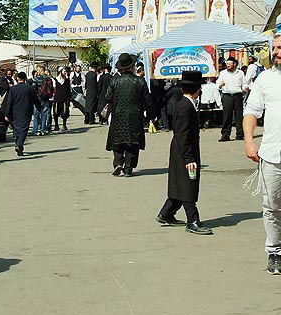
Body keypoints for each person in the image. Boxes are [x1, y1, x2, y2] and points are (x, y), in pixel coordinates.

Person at [156, 71, 212, 235]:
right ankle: (192, 220)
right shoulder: (185, 107)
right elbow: (183, 134)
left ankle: (166, 213)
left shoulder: (185, 104)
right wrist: (188, 158)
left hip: (181, 148)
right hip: (184, 150)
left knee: (179, 182)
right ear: (197, 90)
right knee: (188, 183)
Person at [244, 32, 281, 275]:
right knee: (272, 205)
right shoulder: (265, 79)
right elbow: (252, 111)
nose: (276, 52)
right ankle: (275, 252)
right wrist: (248, 141)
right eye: (275, 48)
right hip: (273, 155)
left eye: (280, 48)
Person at [104, 54, 153, 177]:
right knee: (133, 142)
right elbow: (148, 100)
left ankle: (118, 163)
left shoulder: (115, 81)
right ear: (132, 67)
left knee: (118, 140)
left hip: (118, 114)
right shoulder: (140, 81)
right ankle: (128, 168)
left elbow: (107, 97)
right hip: (135, 115)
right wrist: (151, 115)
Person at [3, 72, 37, 156]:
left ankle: (18, 144)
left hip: (14, 112)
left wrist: (7, 114)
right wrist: (39, 108)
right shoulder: (29, 88)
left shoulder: (13, 89)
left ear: (17, 78)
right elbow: (35, 99)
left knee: (16, 129)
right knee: (24, 129)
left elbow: (9, 102)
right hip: (26, 111)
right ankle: (19, 145)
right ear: (25, 78)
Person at [217, 56, 246, 142]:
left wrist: (245, 88)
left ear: (235, 64)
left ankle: (240, 134)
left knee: (239, 115)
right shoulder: (223, 73)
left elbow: (243, 84)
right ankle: (225, 135)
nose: (228, 65)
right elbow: (217, 84)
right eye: (227, 64)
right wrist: (220, 85)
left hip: (238, 95)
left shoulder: (240, 73)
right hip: (227, 96)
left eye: (230, 64)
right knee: (227, 116)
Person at [31, 66, 52, 136]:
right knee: (45, 114)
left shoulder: (36, 78)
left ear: (40, 70)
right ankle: (43, 129)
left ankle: (36, 130)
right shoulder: (49, 79)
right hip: (46, 99)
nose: (37, 71)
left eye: (38, 70)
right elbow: (51, 90)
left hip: (38, 99)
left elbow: (33, 88)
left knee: (36, 114)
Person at [53, 66, 71, 131]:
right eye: (64, 71)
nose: (65, 73)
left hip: (64, 99)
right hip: (57, 99)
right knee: (55, 113)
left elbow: (68, 90)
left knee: (64, 113)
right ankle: (56, 125)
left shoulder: (67, 80)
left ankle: (64, 125)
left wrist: (69, 99)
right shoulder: (55, 80)